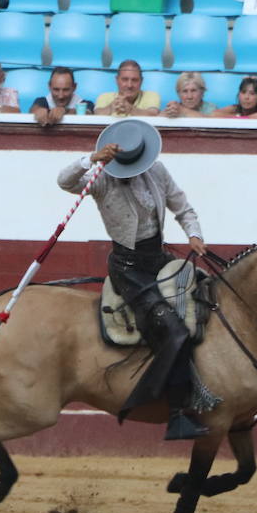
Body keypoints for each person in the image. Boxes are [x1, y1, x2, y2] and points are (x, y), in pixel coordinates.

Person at [57, 125, 210, 440]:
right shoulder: (100, 179)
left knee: (207, 291)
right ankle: (176, 412)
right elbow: (64, 180)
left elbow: (182, 207)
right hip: (128, 268)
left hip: (157, 257)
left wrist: (194, 234)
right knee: (173, 328)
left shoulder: (157, 172)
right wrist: (91, 159)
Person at [95, 60, 162, 116]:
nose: (129, 85)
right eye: (125, 79)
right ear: (117, 80)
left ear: (141, 81)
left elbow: (153, 115)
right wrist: (111, 107)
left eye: (134, 80)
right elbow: (96, 116)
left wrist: (130, 109)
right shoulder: (104, 97)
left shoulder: (151, 96)